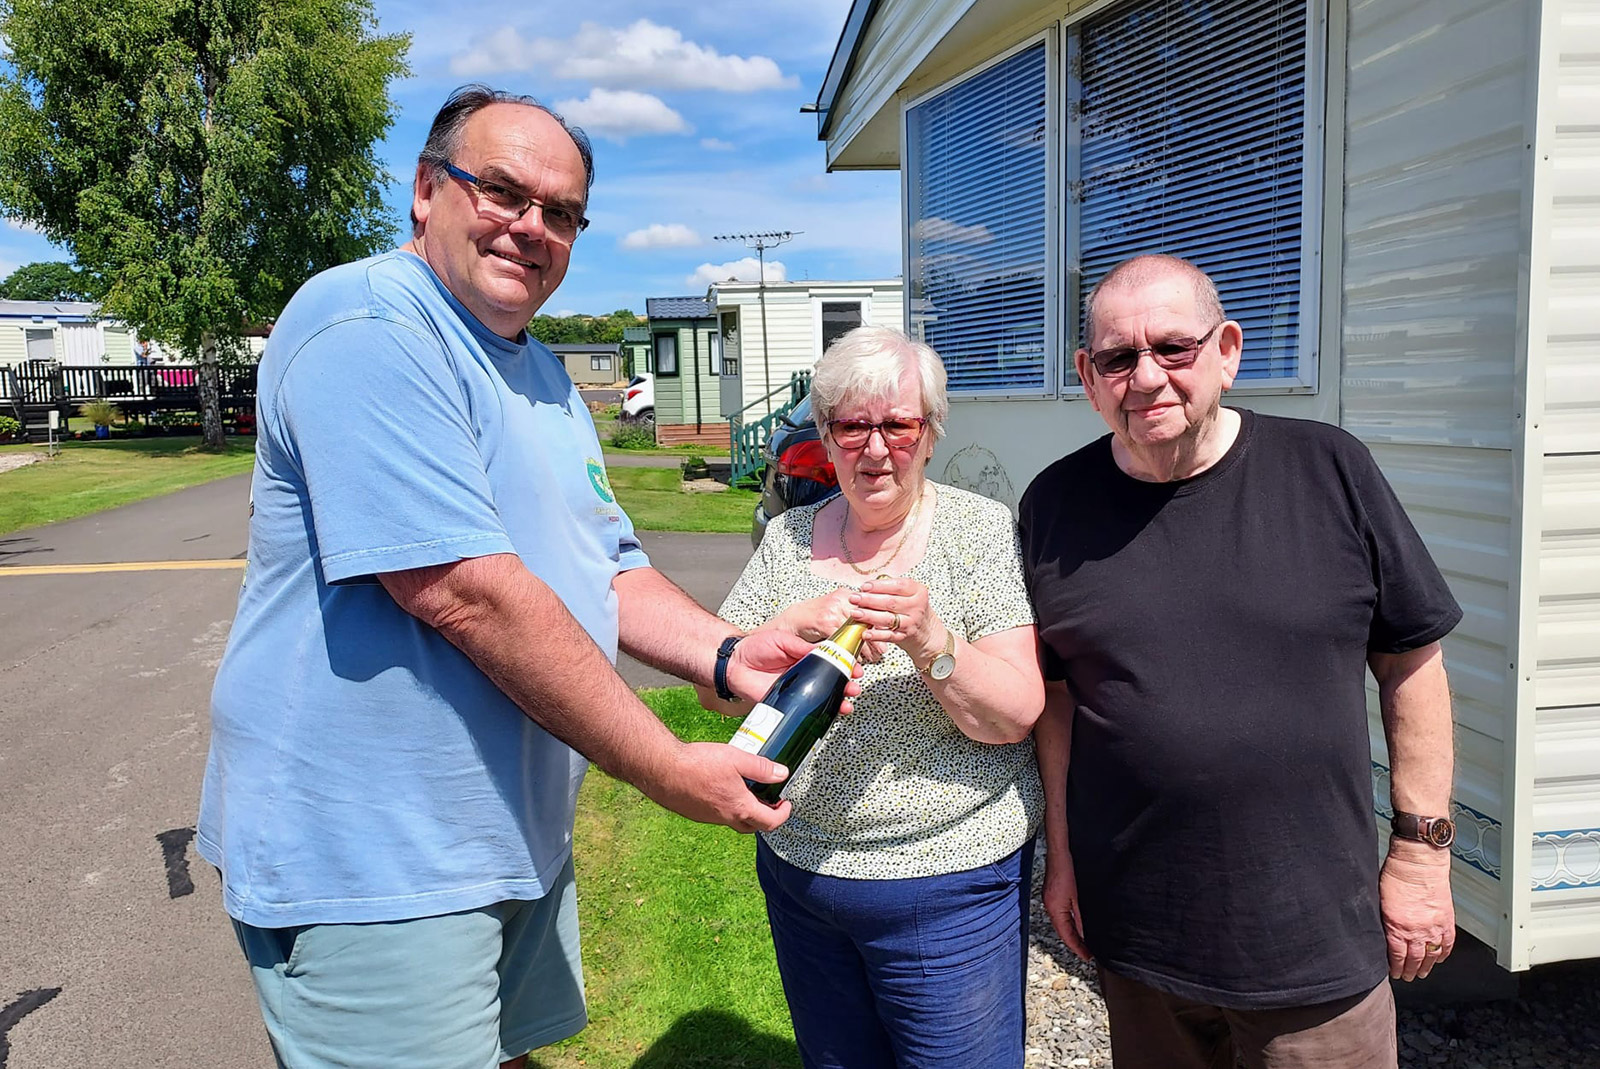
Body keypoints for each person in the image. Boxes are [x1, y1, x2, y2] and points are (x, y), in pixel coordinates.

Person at [198, 85, 844, 1069]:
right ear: (425, 190)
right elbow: (466, 589)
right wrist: (662, 765)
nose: (530, 226)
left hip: (501, 839)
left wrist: (726, 655)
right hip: (377, 861)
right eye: (502, 190)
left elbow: (609, 564)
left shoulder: (542, 376)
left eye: (561, 212)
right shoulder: (367, 326)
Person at [1018, 254, 1461, 1068]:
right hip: (1142, 940)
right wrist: (1065, 854)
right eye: (1118, 357)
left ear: (1227, 349)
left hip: (1312, 941)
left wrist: (1421, 852)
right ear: (1087, 375)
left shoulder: (1328, 470)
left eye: (1173, 348)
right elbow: (1057, 699)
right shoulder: (1052, 505)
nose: (1146, 377)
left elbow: (1413, 663)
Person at [699, 325, 1046, 1069]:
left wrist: (932, 641)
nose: (876, 448)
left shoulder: (976, 531)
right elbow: (715, 691)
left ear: (930, 434)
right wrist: (765, 646)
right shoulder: (790, 538)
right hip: (801, 875)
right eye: (852, 426)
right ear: (825, 438)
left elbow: (1018, 710)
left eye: (898, 424)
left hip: (945, 885)